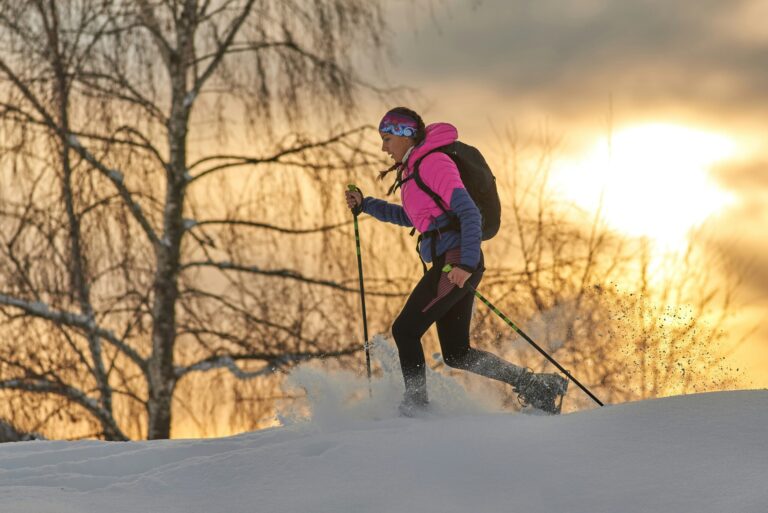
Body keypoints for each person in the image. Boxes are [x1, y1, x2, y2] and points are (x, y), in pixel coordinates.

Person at [344, 107, 568, 416]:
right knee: (456, 352)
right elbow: (411, 217)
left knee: (405, 330)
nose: (384, 147)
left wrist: (465, 264)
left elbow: (468, 212)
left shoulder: (433, 162)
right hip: (454, 261)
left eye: (387, 138)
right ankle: (537, 386)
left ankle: (416, 405)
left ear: (406, 134)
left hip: (454, 262)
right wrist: (366, 205)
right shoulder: (412, 172)